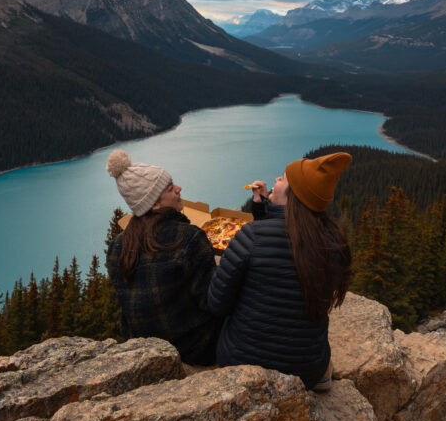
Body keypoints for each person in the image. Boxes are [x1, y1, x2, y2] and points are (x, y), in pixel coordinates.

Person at [207, 152, 352, 390]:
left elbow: (217, 304)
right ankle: (323, 374)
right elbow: (289, 237)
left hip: (242, 363)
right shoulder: (334, 243)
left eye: (282, 179)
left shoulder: (251, 236)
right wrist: (264, 207)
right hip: (307, 370)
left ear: (293, 194)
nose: (275, 179)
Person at [105, 149, 221, 364]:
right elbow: (212, 302)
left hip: (142, 351)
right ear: (154, 204)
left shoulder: (118, 245)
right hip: (194, 349)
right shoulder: (190, 238)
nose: (179, 189)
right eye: (170, 188)